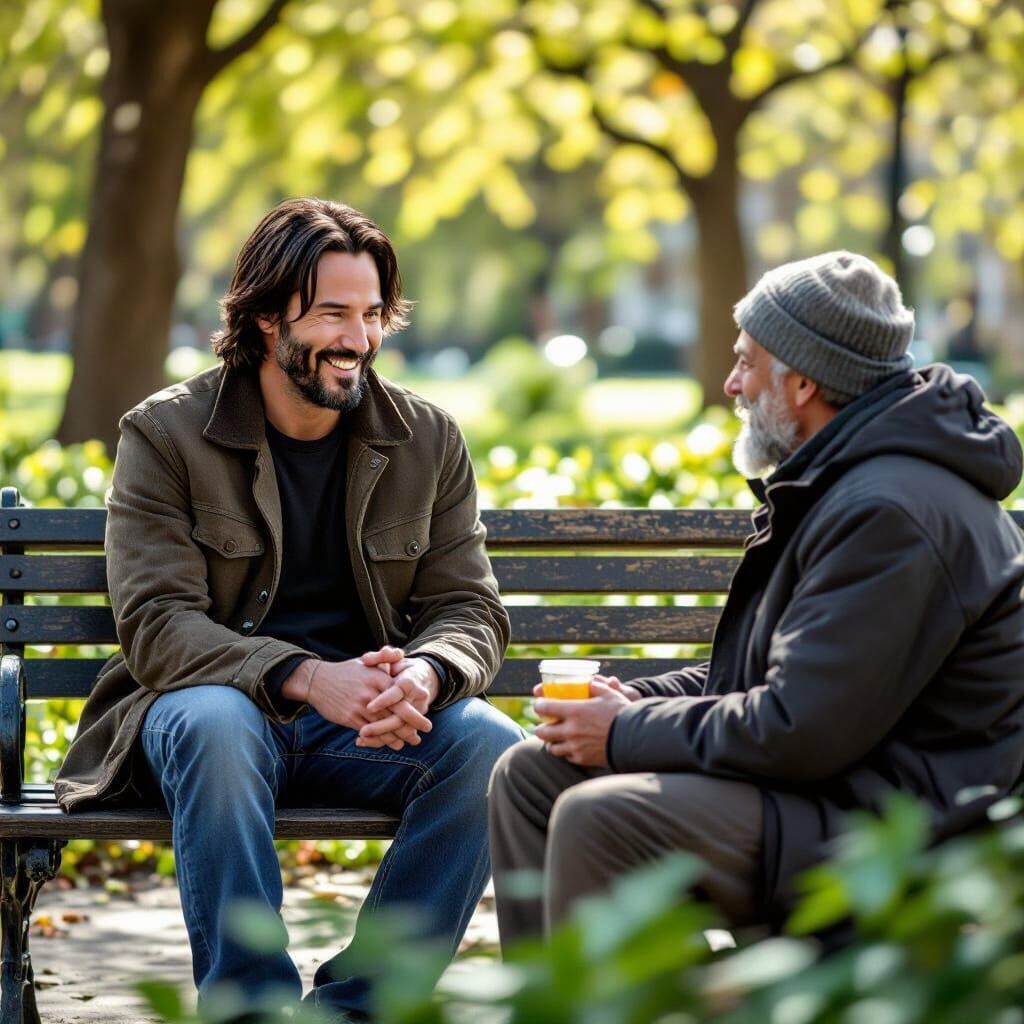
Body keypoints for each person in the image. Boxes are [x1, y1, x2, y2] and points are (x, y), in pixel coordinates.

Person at [55, 198, 522, 1022]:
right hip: (215, 716)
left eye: (373, 314)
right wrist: (308, 678)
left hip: (367, 726)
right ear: (267, 318)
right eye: (333, 313)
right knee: (214, 722)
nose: (359, 338)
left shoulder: (428, 440)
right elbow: (158, 625)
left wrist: (427, 669)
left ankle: (359, 1010)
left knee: (490, 744)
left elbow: (468, 607)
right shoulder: (166, 435)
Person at [489, 250, 1024, 945]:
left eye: (747, 361)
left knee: (603, 816)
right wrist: (630, 704)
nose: (731, 382)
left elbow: (798, 728)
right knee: (532, 775)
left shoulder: (891, 511)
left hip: (892, 826)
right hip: (825, 788)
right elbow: (762, 682)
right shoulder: (842, 483)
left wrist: (621, 733)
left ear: (801, 381)